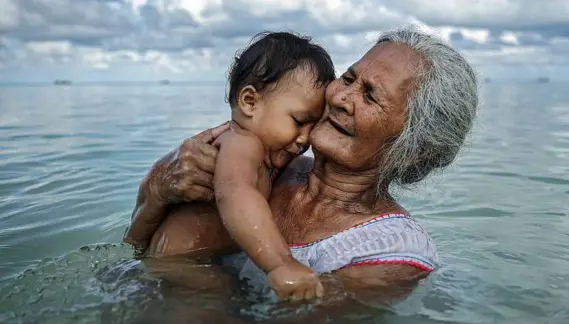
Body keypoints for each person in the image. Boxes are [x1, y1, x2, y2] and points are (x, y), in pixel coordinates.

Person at [124, 24, 479, 305]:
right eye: (349, 78)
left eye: (370, 95)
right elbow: (134, 249)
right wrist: (157, 189)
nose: (340, 98)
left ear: (413, 147)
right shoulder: (270, 162)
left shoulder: (392, 257)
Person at [174, 31, 335, 301]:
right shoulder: (242, 143)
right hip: (182, 271)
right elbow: (236, 192)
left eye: (313, 126)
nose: (306, 138)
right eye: (298, 121)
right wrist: (280, 264)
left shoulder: (261, 154)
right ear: (250, 102)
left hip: (197, 266)